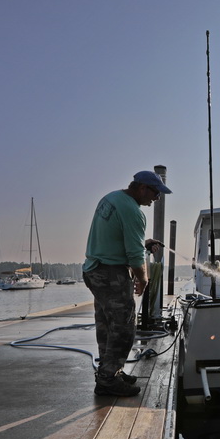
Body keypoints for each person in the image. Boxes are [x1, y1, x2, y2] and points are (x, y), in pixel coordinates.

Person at [82, 170, 171, 396]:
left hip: (94, 270)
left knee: (106, 325)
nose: (157, 198)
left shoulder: (111, 198)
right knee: (124, 327)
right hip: (111, 274)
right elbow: (133, 256)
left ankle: (111, 371)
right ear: (142, 188)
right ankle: (108, 379)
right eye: (156, 193)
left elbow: (115, 237)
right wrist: (143, 279)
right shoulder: (133, 212)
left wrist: (144, 242)